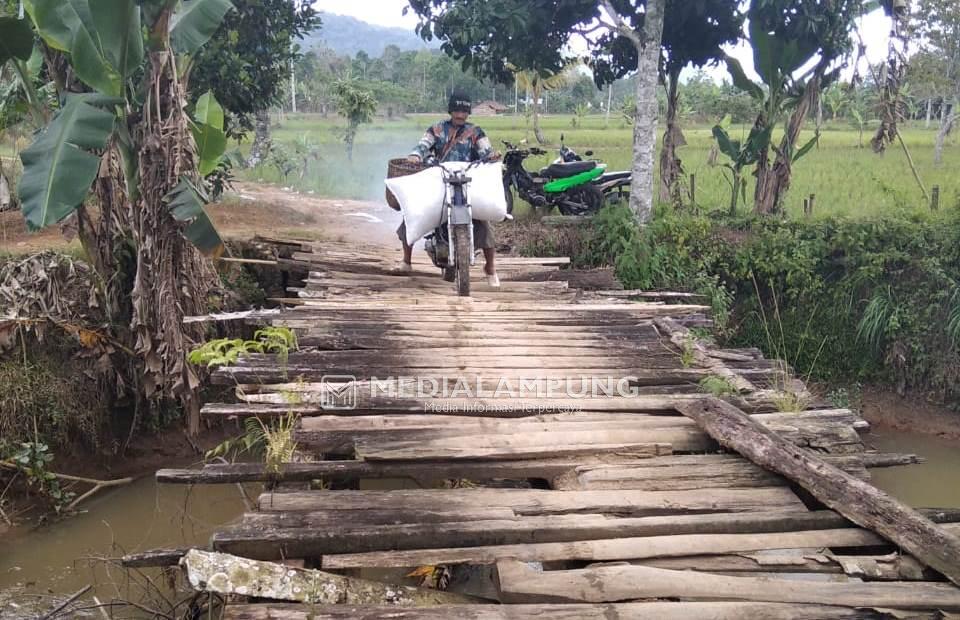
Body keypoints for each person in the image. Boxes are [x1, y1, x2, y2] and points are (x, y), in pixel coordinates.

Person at [395, 91, 500, 287]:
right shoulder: (436, 129)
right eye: (457, 110)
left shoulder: (476, 132)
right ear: (450, 110)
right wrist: (415, 155)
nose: (460, 115)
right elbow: (423, 145)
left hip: (466, 183)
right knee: (412, 216)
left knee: (484, 224)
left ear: (468, 112)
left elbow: (486, 150)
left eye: (464, 111)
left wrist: (492, 156)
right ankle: (406, 261)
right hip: (439, 181)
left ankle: (491, 268)